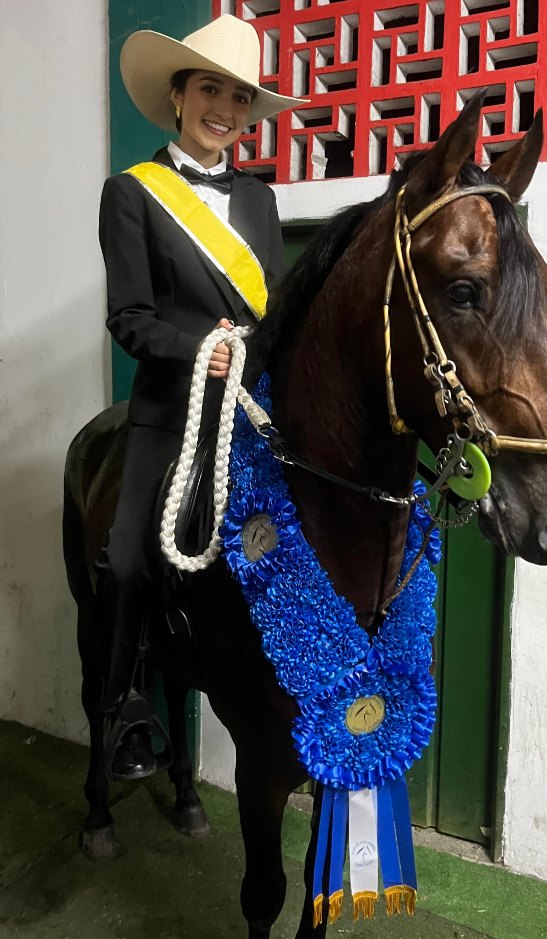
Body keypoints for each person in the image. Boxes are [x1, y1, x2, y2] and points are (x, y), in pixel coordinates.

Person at [98, 14, 305, 780]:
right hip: (169, 412)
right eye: (210, 88)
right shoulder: (130, 194)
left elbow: (272, 313)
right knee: (123, 560)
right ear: (179, 95)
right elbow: (129, 317)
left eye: (240, 96)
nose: (225, 108)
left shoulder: (258, 201)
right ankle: (122, 707)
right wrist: (203, 350)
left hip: (247, 416)